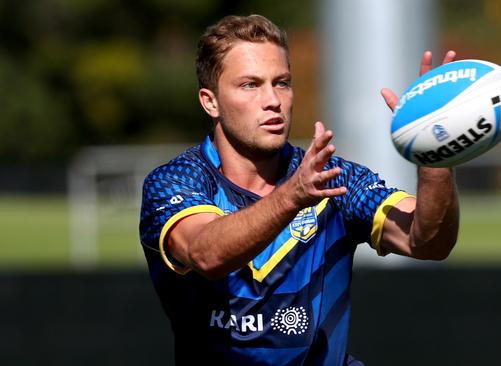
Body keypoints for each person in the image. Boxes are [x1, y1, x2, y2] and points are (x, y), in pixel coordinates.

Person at [139, 14, 459, 366]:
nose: (272, 100)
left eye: (282, 83)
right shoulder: (175, 181)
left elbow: (430, 241)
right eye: (250, 85)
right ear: (210, 101)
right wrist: (292, 196)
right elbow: (207, 254)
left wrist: (434, 155)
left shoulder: (333, 179)